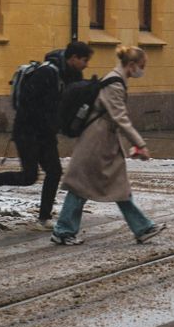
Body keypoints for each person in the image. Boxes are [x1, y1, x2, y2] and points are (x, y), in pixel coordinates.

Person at [0, 41, 93, 230]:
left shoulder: (70, 75)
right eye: (84, 60)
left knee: (54, 171)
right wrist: (46, 121)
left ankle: (43, 219)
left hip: (45, 133)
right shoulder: (47, 72)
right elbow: (30, 102)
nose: (86, 64)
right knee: (29, 176)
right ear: (73, 58)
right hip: (28, 132)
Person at [50, 45, 165, 246]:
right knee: (81, 185)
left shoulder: (115, 79)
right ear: (131, 65)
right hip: (98, 141)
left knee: (111, 185)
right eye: (142, 66)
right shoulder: (115, 84)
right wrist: (140, 144)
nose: (142, 70)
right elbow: (120, 117)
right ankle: (63, 230)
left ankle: (142, 227)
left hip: (103, 140)